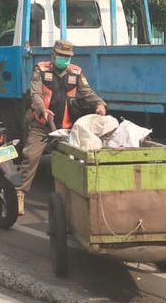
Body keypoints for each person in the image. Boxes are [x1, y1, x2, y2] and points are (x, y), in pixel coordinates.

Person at [17, 39, 107, 216]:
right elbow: (35, 94)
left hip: (66, 128)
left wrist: (99, 104)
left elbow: (87, 92)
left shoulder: (76, 72)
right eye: (61, 56)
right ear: (53, 55)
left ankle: (75, 200)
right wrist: (42, 109)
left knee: (75, 162)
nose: (65, 59)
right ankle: (19, 194)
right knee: (31, 157)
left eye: (68, 57)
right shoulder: (41, 69)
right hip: (41, 126)